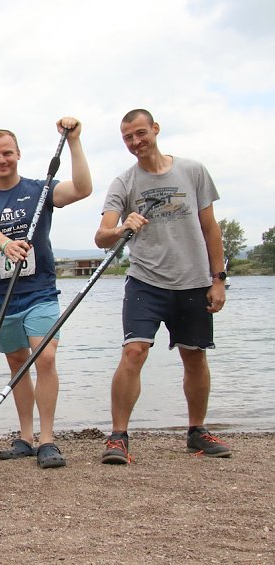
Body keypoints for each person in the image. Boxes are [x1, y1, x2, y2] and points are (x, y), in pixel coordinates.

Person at [95, 108, 230, 464]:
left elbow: (211, 228)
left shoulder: (193, 171)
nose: (136, 142)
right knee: (134, 351)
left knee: (194, 355)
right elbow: (102, 237)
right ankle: (118, 437)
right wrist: (123, 227)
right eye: (128, 137)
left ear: (155, 129)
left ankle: (196, 431)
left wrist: (219, 280)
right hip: (146, 281)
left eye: (141, 133)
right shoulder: (124, 183)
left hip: (193, 281)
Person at [0, 117, 92, 469]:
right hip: (2, 295)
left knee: (46, 358)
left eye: (7, 153)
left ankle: (48, 440)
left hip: (40, 291)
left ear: (18, 154)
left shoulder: (41, 189)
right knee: (18, 364)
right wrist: (6, 245)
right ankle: (25, 436)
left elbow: (82, 188)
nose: (1, 159)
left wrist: (74, 142)